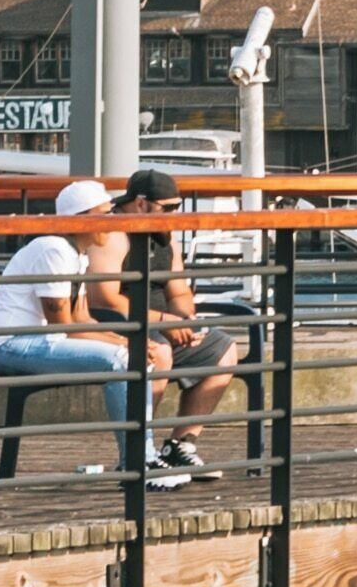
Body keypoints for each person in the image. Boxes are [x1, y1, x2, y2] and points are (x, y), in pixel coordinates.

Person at [0, 177, 190, 485]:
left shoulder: (76, 253)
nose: (111, 222)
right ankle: (141, 461)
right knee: (121, 361)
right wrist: (123, 347)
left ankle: (140, 459)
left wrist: (127, 340)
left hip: (40, 342)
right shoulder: (53, 249)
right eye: (104, 215)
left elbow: (81, 318)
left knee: (132, 355)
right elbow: (63, 326)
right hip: (12, 345)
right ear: (80, 219)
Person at [87, 167, 242, 485]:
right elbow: (105, 300)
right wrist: (163, 321)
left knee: (224, 349)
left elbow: (180, 289)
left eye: (177, 207)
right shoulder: (113, 234)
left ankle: (181, 444)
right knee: (158, 352)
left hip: (163, 325)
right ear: (141, 204)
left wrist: (185, 320)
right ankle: (138, 453)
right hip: (121, 327)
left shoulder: (165, 237)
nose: (174, 214)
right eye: (168, 208)